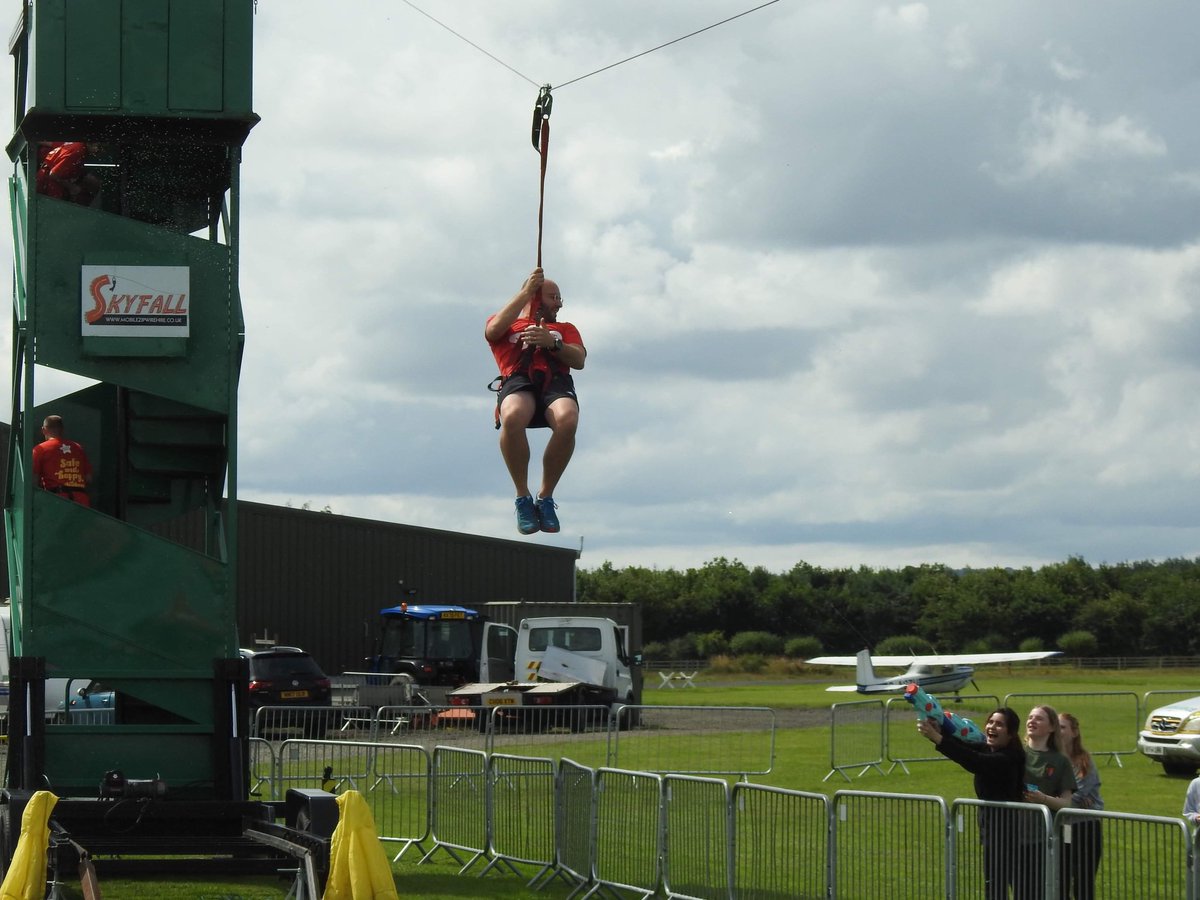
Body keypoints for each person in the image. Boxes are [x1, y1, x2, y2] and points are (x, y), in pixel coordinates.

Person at [485, 267, 585, 535]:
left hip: (554, 383)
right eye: (554, 297)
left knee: (568, 419)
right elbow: (493, 331)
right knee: (513, 414)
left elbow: (579, 360)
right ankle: (523, 498)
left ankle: (546, 497)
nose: (560, 303)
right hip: (519, 380)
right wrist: (525, 292)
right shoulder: (509, 325)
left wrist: (553, 344)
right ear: (536, 299)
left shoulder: (565, 329)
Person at [918, 707, 1027, 899]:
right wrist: (938, 731)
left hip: (1009, 829)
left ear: (1011, 734)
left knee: (1018, 886)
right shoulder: (988, 748)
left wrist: (938, 738)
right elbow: (963, 747)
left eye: (999, 724)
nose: (992, 726)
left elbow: (974, 761)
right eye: (991, 722)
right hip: (991, 826)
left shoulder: (1010, 757)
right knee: (993, 884)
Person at [1021, 705, 1078, 899]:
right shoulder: (1016, 754)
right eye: (1030, 717)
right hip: (1013, 836)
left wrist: (1043, 799)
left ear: (1052, 727)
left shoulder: (1060, 760)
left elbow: (1066, 803)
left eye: (1039, 718)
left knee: (1043, 891)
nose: (1032, 721)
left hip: (1044, 838)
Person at [1057, 712, 1103, 899]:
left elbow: (1079, 795)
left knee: (1083, 883)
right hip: (1060, 828)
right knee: (1060, 881)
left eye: (1063, 727)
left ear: (1074, 732)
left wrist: (1056, 799)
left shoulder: (1084, 761)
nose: (1058, 732)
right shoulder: (1051, 759)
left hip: (1085, 827)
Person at [31, 415, 93, 507]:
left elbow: (33, 481)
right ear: (62, 429)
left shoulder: (40, 449)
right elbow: (89, 478)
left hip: (56, 501)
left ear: (43, 430)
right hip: (81, 501)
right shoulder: (78, 447)